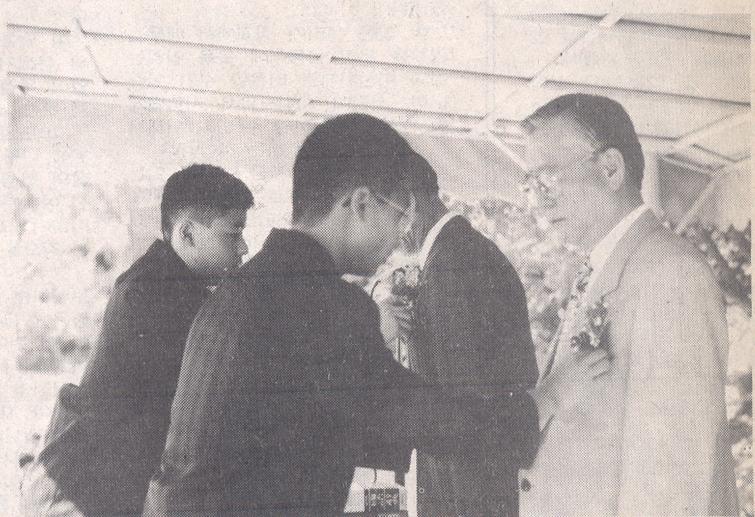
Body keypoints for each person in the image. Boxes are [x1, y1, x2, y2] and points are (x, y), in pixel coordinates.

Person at [142, 114, 539, 517]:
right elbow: (419, 418)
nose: (401, 235)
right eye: (399, 215)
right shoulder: (324, 302)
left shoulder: (245, 286)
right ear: (360, 204)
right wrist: (540, 407)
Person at [518, 94, 738, 516]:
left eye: (547, 178)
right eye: (530, 185)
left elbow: (674, 480)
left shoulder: (671, 273)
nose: (538, 201)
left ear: (611, 169)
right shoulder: (609, 267)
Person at [20, 164, 254, 517]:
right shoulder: (153, 293)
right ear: (188, 234)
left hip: (89, 486)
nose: (244, 248)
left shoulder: (166, 283)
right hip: (76, 495)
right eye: (233, 234)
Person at [379, 154, 604, 516]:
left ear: (409, 203)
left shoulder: (455, 265)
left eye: (381, 213)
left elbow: (465, 418)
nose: (381, 234)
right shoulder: (454, 255)